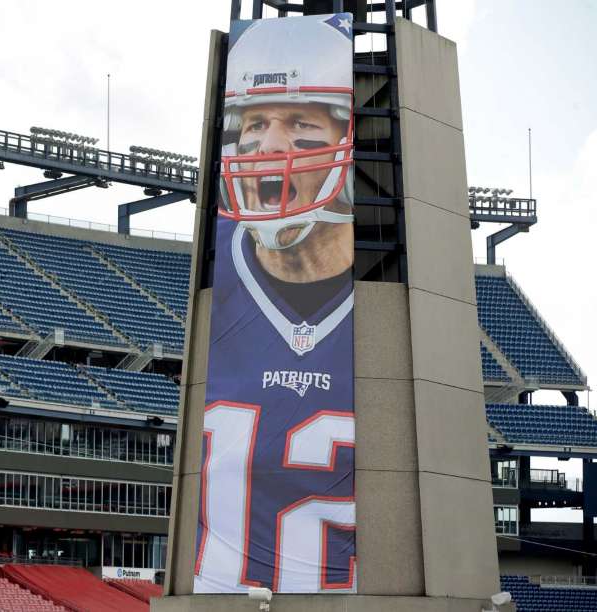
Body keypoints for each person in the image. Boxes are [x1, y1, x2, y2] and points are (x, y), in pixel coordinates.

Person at [194, 14, 357, 595]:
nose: (268, 146)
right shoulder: (223, 278)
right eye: (255, 122)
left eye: (300, 123)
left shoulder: (376, 306)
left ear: (347, 142)